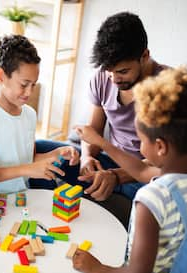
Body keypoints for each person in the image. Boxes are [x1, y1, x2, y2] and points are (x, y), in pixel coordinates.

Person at [73, 67, 187, 273]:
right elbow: (141, 169)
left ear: (160, 147)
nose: (139, 147)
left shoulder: (152, 199)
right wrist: (102, 144)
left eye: (142, 140)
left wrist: (96, 268)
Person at [34, 11, 167, 201]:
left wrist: (116, 176)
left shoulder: (169, 89)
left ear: (144, 56)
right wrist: (87, 157)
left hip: (143, 174)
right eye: (108, 71)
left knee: (155, 198)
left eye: (122, 71)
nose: (113, 79)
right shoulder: (102, 78)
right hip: (107, 161)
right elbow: (93, 130)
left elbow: (162, 163)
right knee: (40, 150)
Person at [0, 34, 79, 200]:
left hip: (22, 197)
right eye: (24, 84)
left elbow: (29, 159)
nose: (29, 92)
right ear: (0, 76)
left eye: (33, 85)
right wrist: (28, 170)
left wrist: (57, 153)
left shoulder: (29, 114)